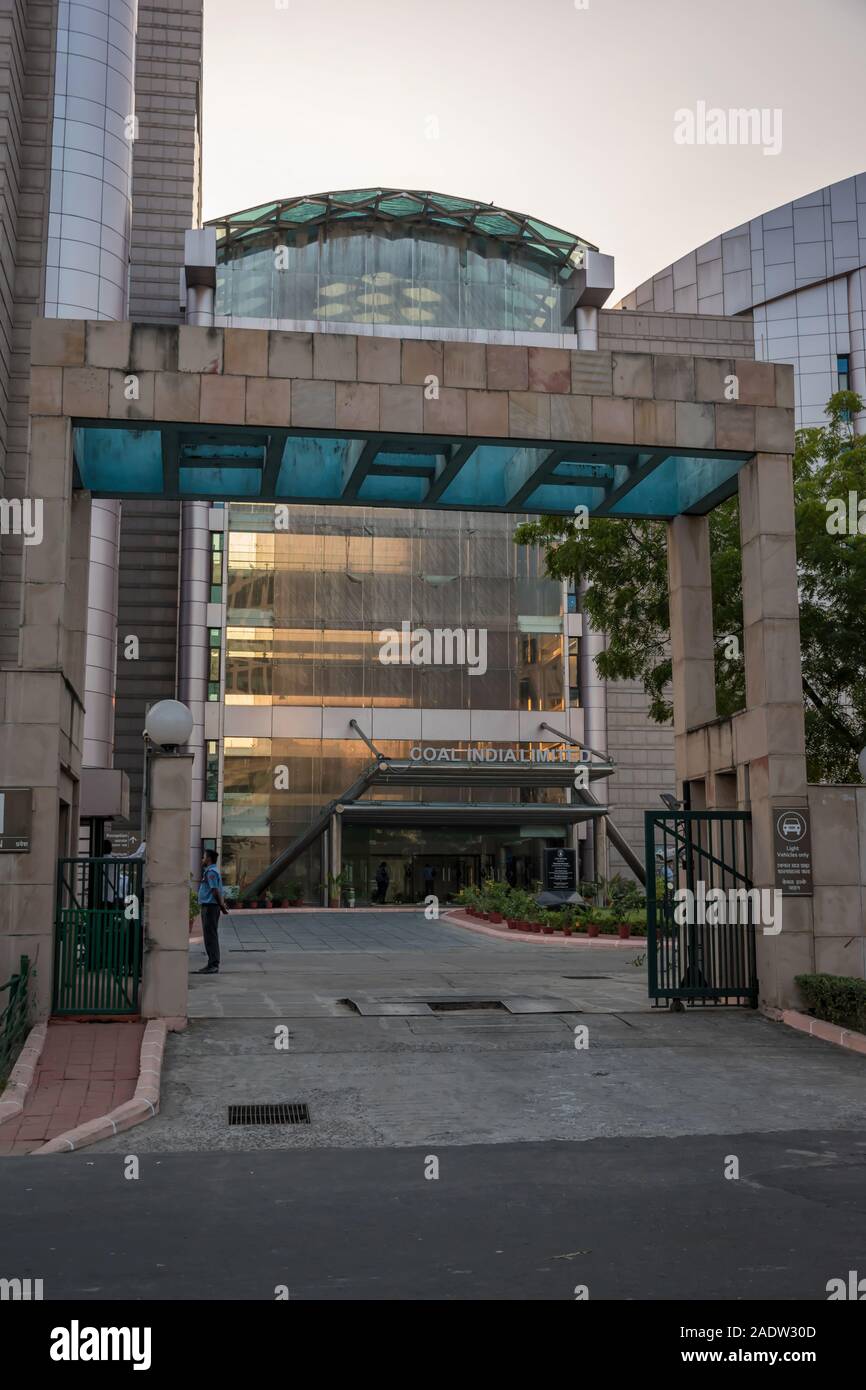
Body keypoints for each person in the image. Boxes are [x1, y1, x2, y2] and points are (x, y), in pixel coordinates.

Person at [195, 848, 228, 975]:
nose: (202, 859)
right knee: (210, 935)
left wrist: (222, 906)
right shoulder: (211, 871)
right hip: (209, 906)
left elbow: (215, 891)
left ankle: (213, 964)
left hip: (210, 907)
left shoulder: (211, 872)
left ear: (208, 859)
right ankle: (211, 963)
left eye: (203, 857)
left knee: (210, 936)